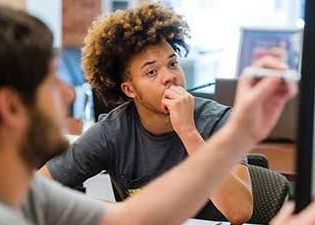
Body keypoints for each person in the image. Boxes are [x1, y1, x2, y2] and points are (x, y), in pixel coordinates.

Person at [0, 2, 315, 225]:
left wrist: (238, 130)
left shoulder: (22, 193)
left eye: (171, 63)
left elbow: (134, 219)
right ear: (12, 107)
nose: (66, 94)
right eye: (52, 81)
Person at [39, 3, 253, 222]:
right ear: (129, 89)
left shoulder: (219, 121)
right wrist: (118, 213)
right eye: (151, 71)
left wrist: (189, 132)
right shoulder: (114, 130)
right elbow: (36, 188)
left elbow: (239, 212)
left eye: (172, 63)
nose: (169, 76)